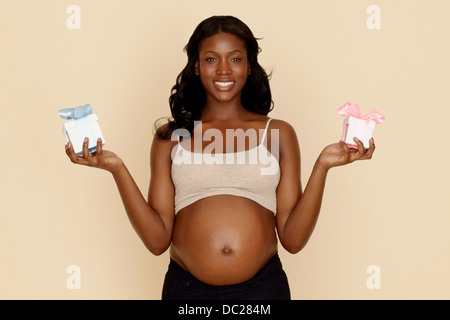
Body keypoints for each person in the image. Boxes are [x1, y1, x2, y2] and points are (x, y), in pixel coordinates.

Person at [64, 15, 375, 300]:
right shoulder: (171, 138)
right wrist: (116, 169)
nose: (224, 70)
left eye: (235, 59)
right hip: (187, 291)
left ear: (249, 66)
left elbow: (293, 240)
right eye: (211, 59)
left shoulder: (278, 133)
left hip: (262, 291)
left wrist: (322, 166)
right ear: (197, 66)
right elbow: (157, 241)